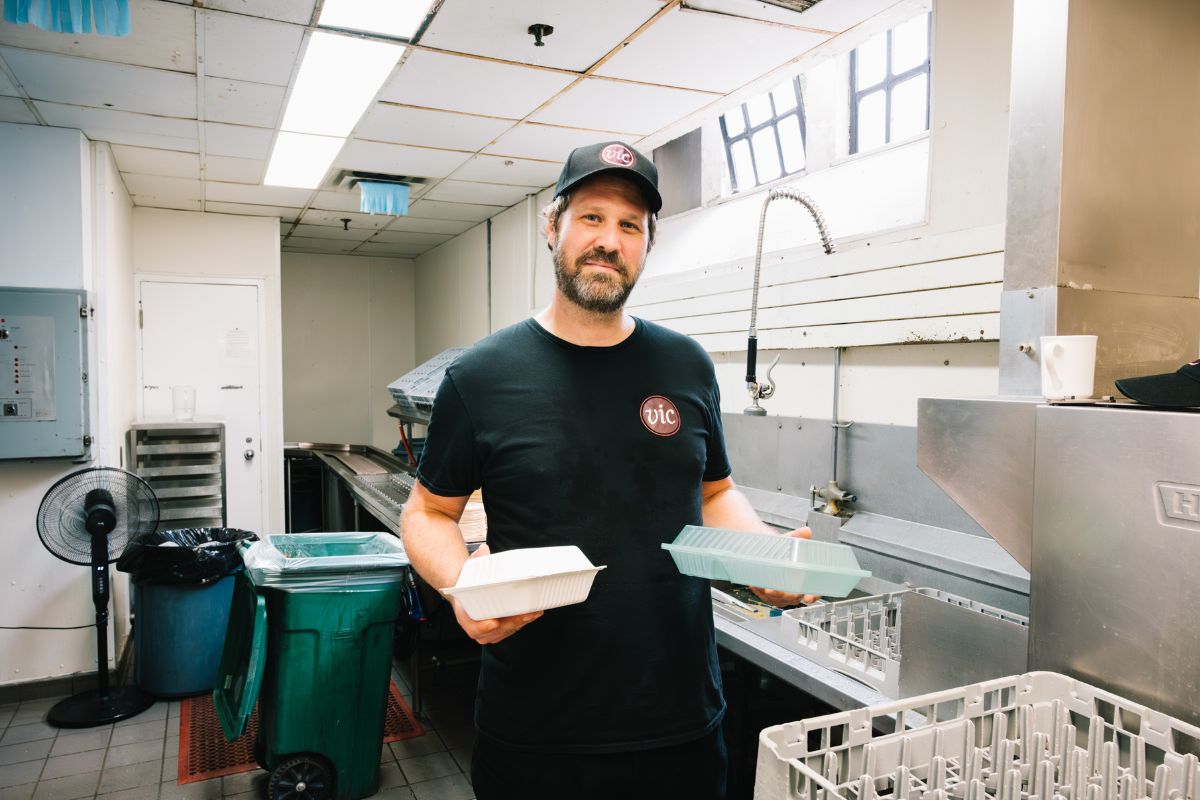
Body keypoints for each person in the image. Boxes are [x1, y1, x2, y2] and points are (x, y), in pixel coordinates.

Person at [400, 140, 813, 800]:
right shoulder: (481, 377)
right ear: (552, 226)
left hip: (680, 727)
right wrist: (459, 584)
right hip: (537, 734)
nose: (609, 241)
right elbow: (427, 512)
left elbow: (714, 494)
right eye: (591, 217)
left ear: (647, 243)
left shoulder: (687, 366)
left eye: (630, 226)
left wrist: (761, 557)